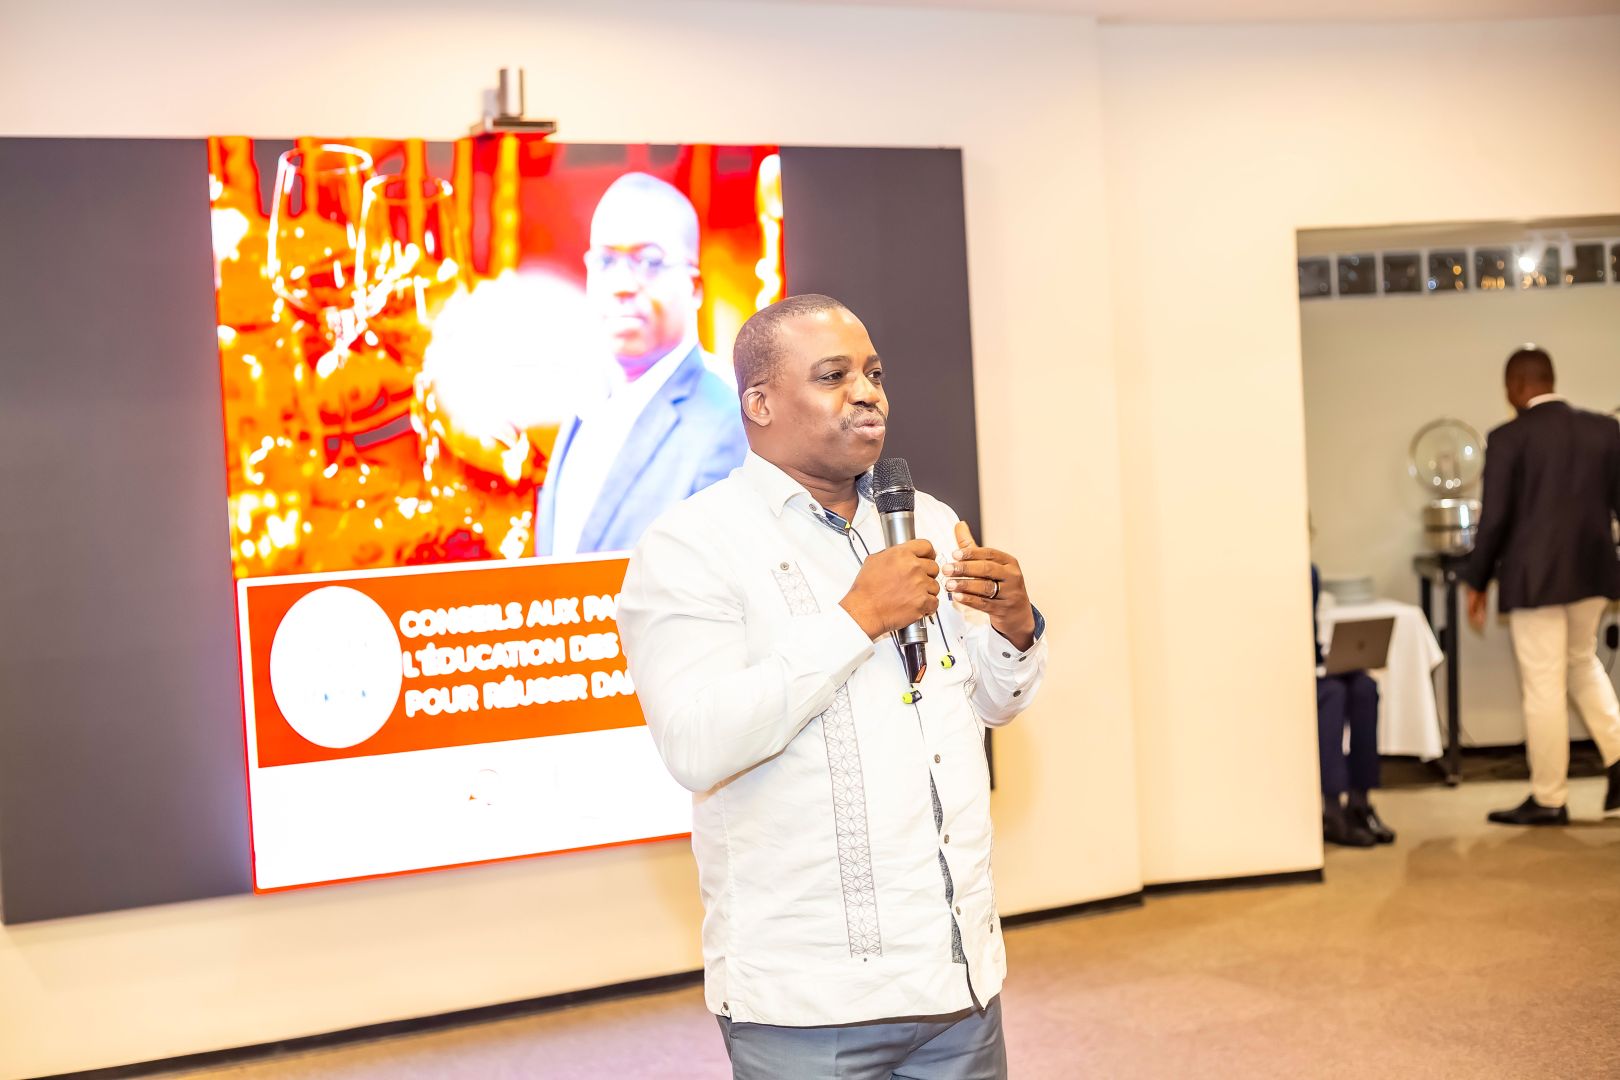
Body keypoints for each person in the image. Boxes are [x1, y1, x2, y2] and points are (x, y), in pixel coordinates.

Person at [617, 294, 1046, 1079]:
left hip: (958, 981)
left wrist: (1015, 630)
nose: (867, 393)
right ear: (760, 404)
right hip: (808, 1005)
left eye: (874, 373)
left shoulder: (925, 518)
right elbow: (697, 744)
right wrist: (857, 619)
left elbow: (988, 704)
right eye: (834, 375)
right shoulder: (690, 547)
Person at [534, 172, 747, 557]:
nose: (622, 284)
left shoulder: (728, 422)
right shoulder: (582, 404)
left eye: (649, 261)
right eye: (605, 260)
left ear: (694, 288)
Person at [1463, 345, 1620, 826]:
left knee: (1544, 685)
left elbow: (1494, 520)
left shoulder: (1508, 438)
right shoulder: (1604, 429)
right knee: (1581, 663)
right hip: (1593, 572)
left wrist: (1477, 580)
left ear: (1516, 386)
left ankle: (1549, 797)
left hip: (1536, 580)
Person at [1313, 565, 1395, 847]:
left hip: (1317, 664)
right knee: (1332, 694)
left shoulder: (1310, 574)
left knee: (1364, 688)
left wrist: (1331, 659)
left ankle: (1360, 802)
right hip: (1292, 668)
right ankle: (1332, 808)